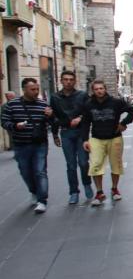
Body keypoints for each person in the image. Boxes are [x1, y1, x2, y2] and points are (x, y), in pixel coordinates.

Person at [0, 78, 55, 213]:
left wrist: (51, 116)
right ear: (24, 89)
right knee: (25, 171)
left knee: (40, 171)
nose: (36, 92)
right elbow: (4, 121)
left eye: (37, 89)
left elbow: (53, 122)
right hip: (21, 144)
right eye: (33, 89)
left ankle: (42, 200)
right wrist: (15, 126)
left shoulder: (43, 104)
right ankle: (34, 192)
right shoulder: (12, 105)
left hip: (40, 143)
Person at [80, 80, 133, 207]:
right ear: (93, 91)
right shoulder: (88, 104)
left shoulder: (116, 102)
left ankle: (114, 188)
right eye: (96, 89)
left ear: (105, 89)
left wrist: (123, 123)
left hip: (114, 137)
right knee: (95, 165)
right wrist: (85, 139)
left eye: (101, 88)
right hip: (96, 138)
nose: (99, 91)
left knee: (116, 164)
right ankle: (99, 192)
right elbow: (85, 123)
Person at [50, 71, 93, 204]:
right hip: (66, 133)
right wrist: (55, 135)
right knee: (71, 165)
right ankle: (74, 192)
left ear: (74, 81)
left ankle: (86, 184)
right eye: (65, 79)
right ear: (61, 81)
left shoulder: (82, 95)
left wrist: (80, 118)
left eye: (71, 79)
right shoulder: (55, 97)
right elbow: (54, 117)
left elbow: (89, 112)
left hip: (81, 132)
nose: (68, 82)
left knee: (83, 162)